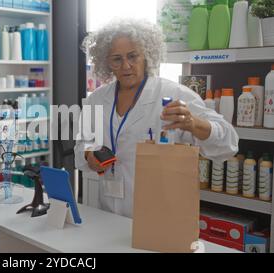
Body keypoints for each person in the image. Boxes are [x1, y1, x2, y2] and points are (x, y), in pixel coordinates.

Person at [74, 18, 238, 218]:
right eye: (117, 59)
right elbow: (82, 146)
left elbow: (228, 143)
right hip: (108, 213)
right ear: (107, 62)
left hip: (158, 217)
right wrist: (88, 155)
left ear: (146, 55)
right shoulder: (97, 99)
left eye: (133, 56)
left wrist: (194, 124)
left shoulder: (174, 93)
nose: (126, 65)